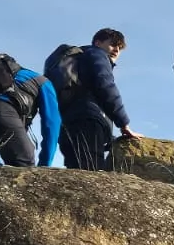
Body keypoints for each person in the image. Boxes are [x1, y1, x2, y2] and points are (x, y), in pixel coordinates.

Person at [47, 28, 140, 170]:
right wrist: (124, 124)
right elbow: (106, 86)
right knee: (90, 172)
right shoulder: (97, 54)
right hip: (88, 122)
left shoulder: (81, 60)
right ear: (98, 43)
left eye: (120, 47)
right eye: (113, 44)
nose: (116, 50)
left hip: (67, 125)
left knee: (76, 174)